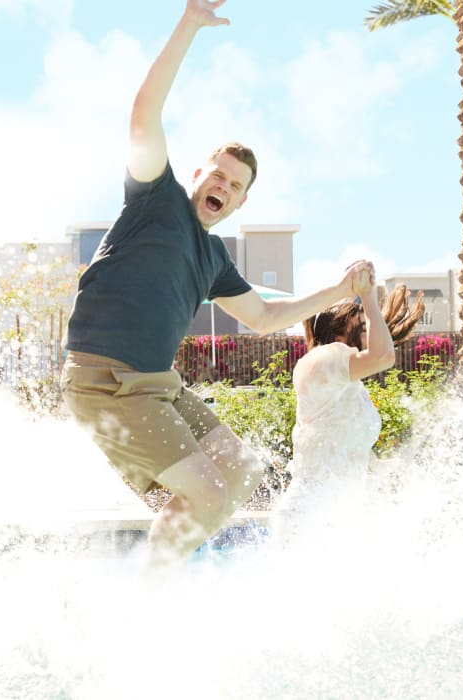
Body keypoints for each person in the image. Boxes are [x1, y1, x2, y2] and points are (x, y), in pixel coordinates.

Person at [60, 0, 374, 571]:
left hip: (158, 385)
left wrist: (339, 289)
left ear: (242, 202)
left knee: (243, 472)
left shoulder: (213, 258)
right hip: (106, 381)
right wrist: (189, 24)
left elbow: (265, 317)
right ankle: (147, 606)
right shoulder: (154, 199)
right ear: (200, 172)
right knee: (207, 492)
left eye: (235, 187)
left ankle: (168, 549)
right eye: (219, 176)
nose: (223, 189)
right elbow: (143, 113)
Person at [269, 269, 424, 547]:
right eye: (363, 329)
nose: (369, 335)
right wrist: (366, 295)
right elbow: (383, 356)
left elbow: (348, 453)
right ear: (340, 335)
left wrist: (392, 470)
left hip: (339, 517)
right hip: (308, 515)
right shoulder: (320, 359)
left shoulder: (351, 389)